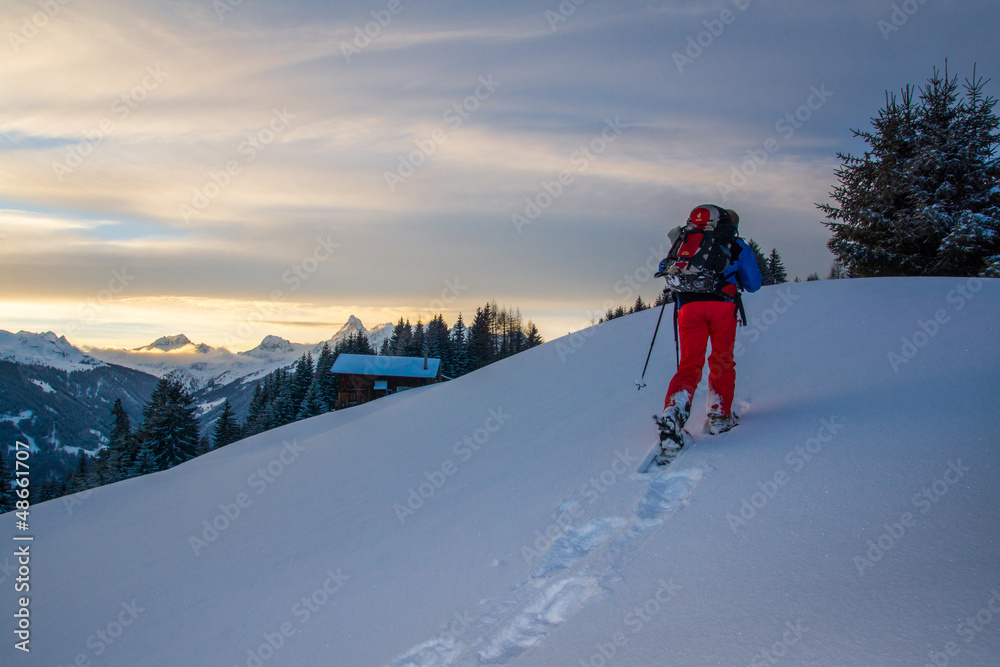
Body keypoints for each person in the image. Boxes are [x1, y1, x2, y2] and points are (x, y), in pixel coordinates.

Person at [656, 205, 762, 447]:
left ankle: (673, 412)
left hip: (688, 308)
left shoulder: (687, 240)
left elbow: (667, 266)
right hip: (722, 307)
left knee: (689, 365)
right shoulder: (736, 245)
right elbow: (753, 284)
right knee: (721, 360)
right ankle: (718, 415)